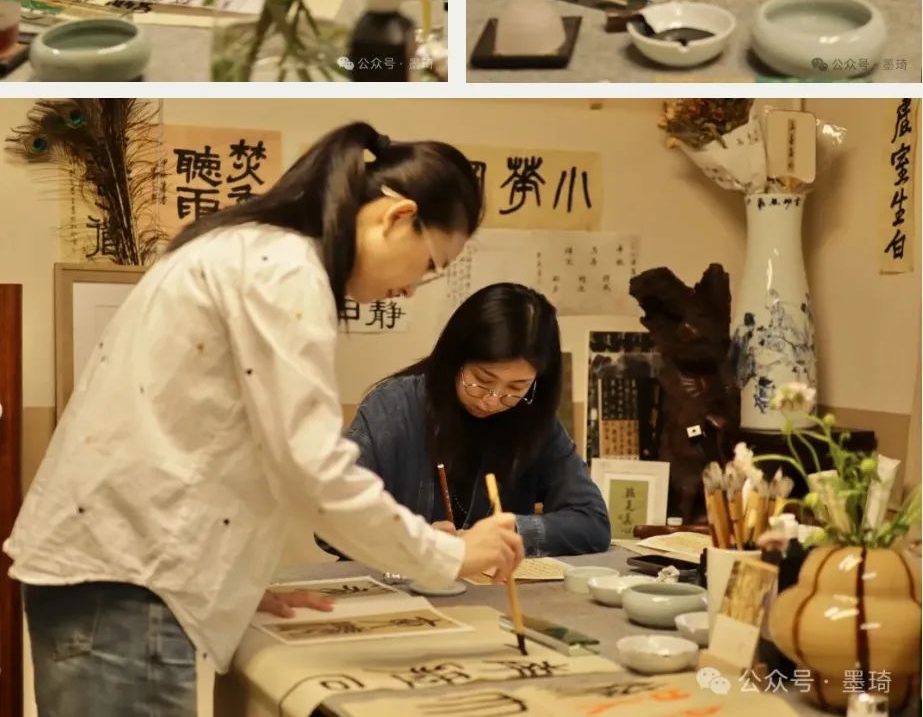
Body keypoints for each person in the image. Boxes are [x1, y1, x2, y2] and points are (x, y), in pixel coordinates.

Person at [5, 124, 524, 716]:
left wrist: (231, 587)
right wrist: (450, 556)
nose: (410, 289)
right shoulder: (285, 269)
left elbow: (203, 436)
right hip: (124, 586)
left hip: (119, 576)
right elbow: (313, 471)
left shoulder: (248, 248)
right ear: (396, 217)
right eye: (430, 264)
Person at [338, 283, 611, 556]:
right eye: (481, 380)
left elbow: (592, 522)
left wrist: (508, 532)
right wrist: (414, 539)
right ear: (455, 358)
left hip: (493, 582)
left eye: (516, 388)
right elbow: (333, 520)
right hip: (400, 581)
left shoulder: (535, 420)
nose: (492, 400)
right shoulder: (393, 408)